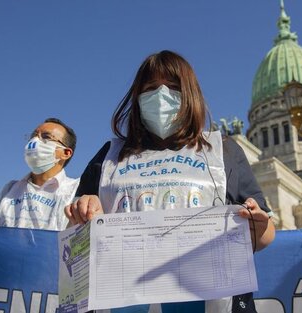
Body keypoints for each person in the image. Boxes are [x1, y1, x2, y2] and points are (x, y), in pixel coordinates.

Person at [65, 50, 275, 312]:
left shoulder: (224, 150)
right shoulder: (108, 156)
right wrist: (84, 211)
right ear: (138, 98)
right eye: (152, 87)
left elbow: (264, 233)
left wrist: (258, 227)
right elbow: (74, 240)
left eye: (173, 87)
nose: (162, 95)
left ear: (190, 96)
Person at [0, 117, 80, 231]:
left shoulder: (76, 189)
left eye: (46, 137)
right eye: (33, 136)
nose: (35, 141)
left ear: (66, 153)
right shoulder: (9, 189)